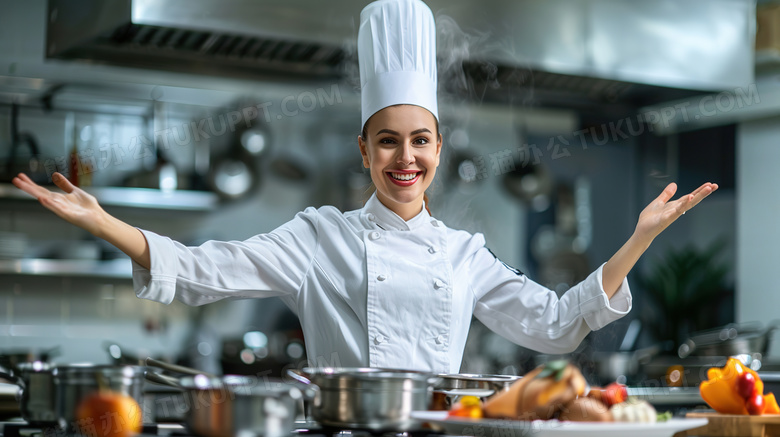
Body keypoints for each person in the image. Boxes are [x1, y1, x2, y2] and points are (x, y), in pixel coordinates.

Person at [11, 0, 717, 373]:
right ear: (363, 148)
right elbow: (199, 271)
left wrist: (638, 239)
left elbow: (559, 324)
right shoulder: (320, 237)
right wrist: (103, 221)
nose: (403, 158)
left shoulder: (466, 253)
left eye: (419, 140)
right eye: (387, 140)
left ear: (438, 147)